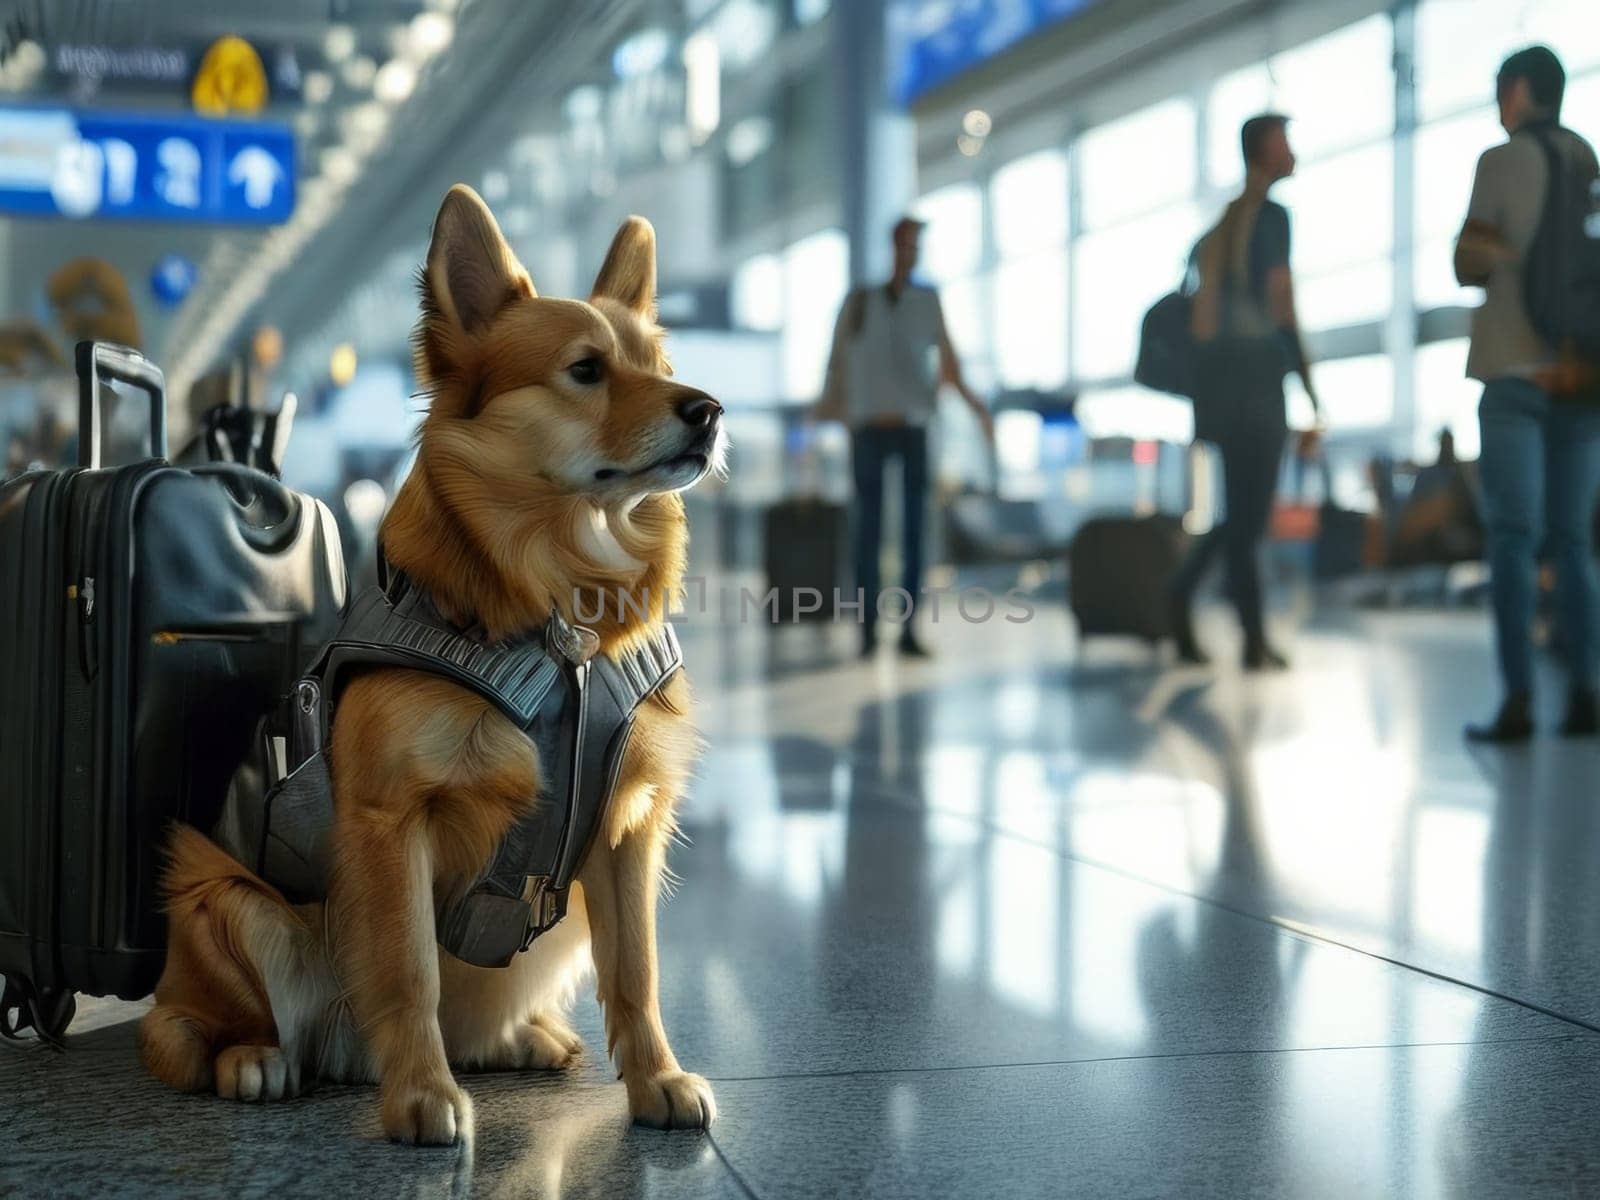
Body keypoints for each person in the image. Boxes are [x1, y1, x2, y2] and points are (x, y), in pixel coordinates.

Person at [1456, 46, 1600, 742]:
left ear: (1517, 91)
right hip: (1583, 377)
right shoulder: (1588, 161)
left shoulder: (1501, 160)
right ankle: (1588, 692)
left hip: (1516, 370)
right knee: (1575, 544)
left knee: (1515, 539)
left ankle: (1516, 700)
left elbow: (1469, 261)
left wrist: (1493, 252)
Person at [1170, 114, 1321, 671]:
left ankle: (1222, 617)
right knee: (1250, 518)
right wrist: (1308, 382)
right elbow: (1281, 302)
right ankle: (1236, 627)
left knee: (1241, 514)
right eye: (1285, 140)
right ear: (1263, 151)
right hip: (1257, 376)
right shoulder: (1273, 218)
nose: (1293, 149)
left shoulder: (1227, 222)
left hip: (1220, 382)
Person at [817, 216, 993, 657]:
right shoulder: (859, 302)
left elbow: (950, 365)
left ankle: (910, 629)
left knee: (916, 532)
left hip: (914, 428)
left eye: (916, 245)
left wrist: (977, 409)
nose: (909, 252)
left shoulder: (927, 301)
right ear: (893, 245)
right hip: (869, 428)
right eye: (905, 243)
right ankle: (868, 630)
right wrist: (830, 411)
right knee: (868, 532)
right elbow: (837, 362)